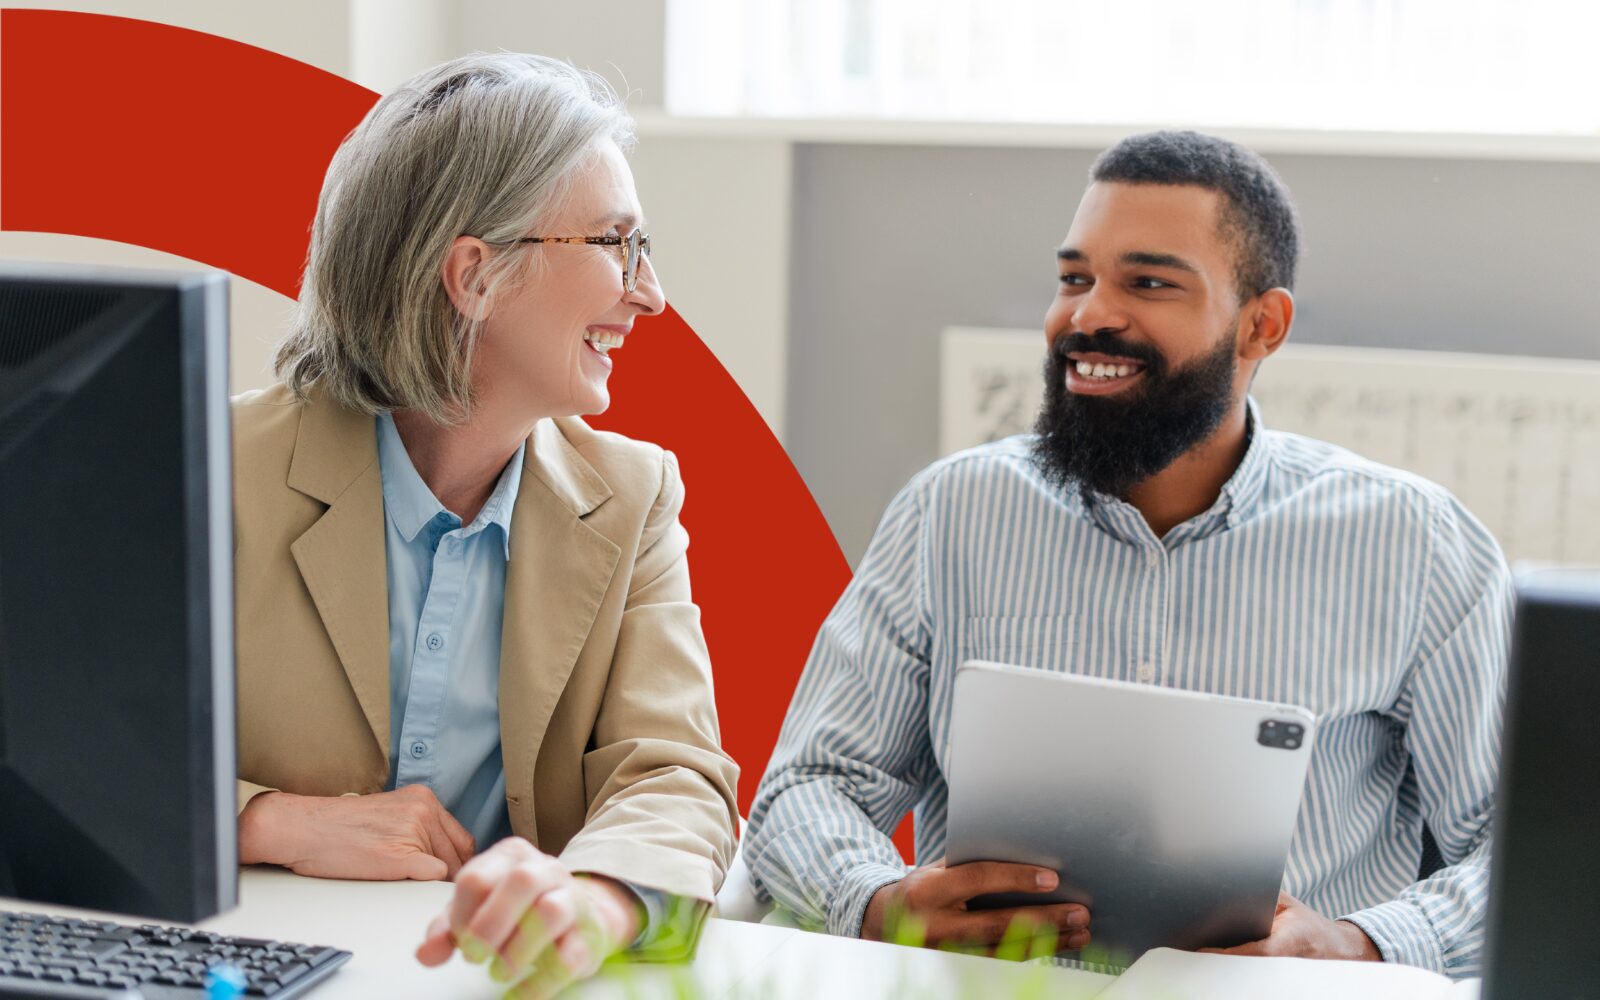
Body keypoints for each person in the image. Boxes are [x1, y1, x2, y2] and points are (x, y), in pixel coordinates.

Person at [745, 130, 1508, 978]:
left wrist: (1359, 943)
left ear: (1261, 325)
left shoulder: (1418, 543)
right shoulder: (947, 515)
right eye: (1075, 279)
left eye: (1148, 283)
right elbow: (809, 784)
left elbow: (1526, 844)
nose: (1088, 316)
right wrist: (875, 898)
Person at [229, 53, 738, 996]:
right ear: (474, 274)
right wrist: (269, 821)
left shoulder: (633, 499)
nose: (650, 292)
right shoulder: (214, 469)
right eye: (616, 244)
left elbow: (674, 777)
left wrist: (594, 898)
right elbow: (58, 755)